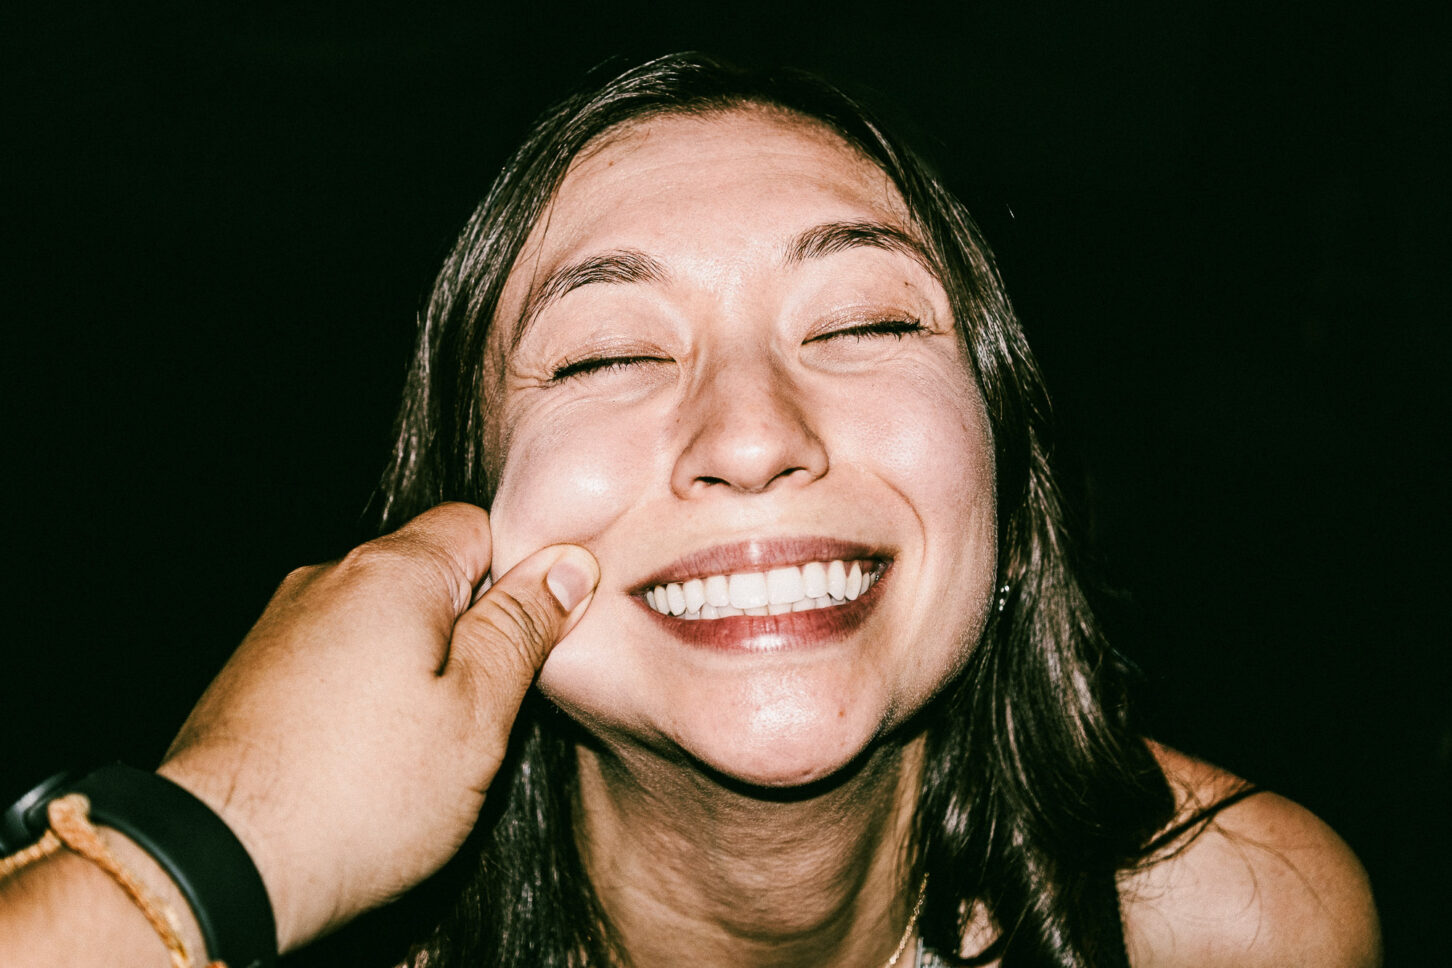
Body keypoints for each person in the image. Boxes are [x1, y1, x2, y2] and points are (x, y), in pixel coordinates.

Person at [0, 53, 1380, 968]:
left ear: (1008, 470)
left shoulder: (1244, 920)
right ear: (460, 531)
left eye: (861, 324)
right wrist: (228, 843)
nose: (753, 437)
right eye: (607, 355)